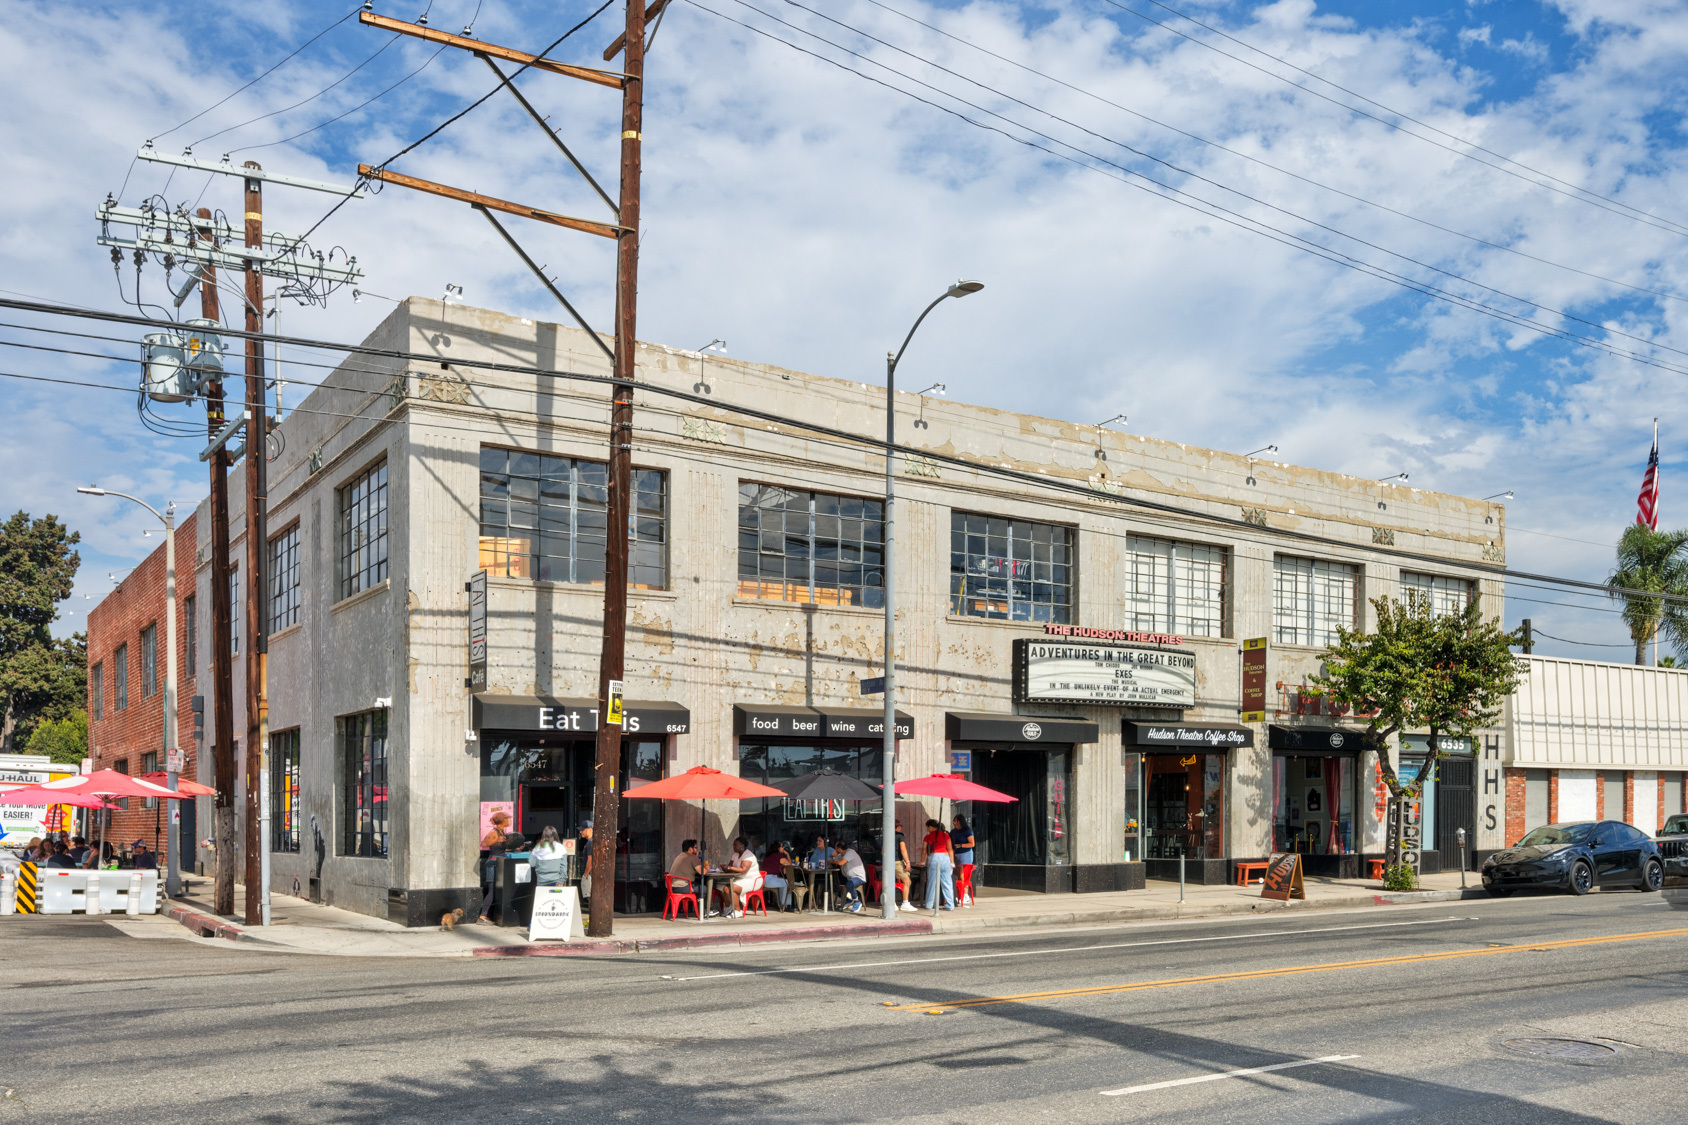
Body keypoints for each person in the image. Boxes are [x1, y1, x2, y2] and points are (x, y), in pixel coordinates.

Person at [478, 810, 512, 921]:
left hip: (501, 863)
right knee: (492, 890)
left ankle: (495, 915)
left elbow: (501, 849)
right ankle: (483, 915)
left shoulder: (503, 832)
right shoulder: (494, 832)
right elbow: (484, 844)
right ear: (502, 821)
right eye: (507, 819)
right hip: (492, 864)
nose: (509, 820)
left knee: (499, 890)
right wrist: (496, 840)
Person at [722, 836, 759, 919]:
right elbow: (730, 866)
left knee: (732, 888)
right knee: (725, 889)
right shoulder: (735, 855)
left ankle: (738, 911)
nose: (733, 846)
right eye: (733, 845)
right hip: (739, 879)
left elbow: (743, 870)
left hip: (751, 880)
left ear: (742, 846)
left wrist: (729, 868)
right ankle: (729, 908)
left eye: (736, 845)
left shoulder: (748, 855)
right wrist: (725, 868)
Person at [922, 818, 955, 911]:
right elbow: (950, 849)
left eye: (928, 827)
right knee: (947, 883)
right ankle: (950, 905)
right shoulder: (946, 835)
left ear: (931, 827)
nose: (927, 829)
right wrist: (952, 862)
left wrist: (922, 861)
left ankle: (929, 904)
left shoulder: (928, 837)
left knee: (932, 882)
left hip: (934, 857)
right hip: (946, 858)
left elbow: (924, 850)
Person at [830, 841, 868, 913]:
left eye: (835, 847)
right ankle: (848, 900)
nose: (834, 849)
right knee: (835, 884)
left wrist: (832, 861)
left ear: (839, 849)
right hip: (849, 877)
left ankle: (857, 901)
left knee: (850, 884)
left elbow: (841, 862)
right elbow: (834, 858)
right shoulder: (841, 854)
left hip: (858, 877)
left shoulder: (850, 853)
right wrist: (833, 859)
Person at [950, 815, 976, 907]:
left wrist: (960, 845)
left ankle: (965, 895)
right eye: (954, 821)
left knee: (964, 874)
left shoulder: (967, 831)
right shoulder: (953, 831)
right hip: (955, 854)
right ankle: (958, 894)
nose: (955, 823)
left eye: (957, 821)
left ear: (961, 822)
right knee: (956, 874)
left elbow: (972, 844)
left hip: (965, 854)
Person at [760, 841, 792, 910]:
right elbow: (789, 865)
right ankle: (786, 905)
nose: (783, 848)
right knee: (788, 883)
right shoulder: (779, 856)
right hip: (770, 879)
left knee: (782, 883)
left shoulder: (767, 856)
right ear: (778, 848)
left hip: (762, 879)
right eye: (782, 846)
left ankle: (780, 903)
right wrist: (787, 854)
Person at [893, 824, 916, 911]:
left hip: (888, 861)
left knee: (891, 882)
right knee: (907, 881)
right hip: (897, 861)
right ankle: (905, 903)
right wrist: (908, 862)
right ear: (898, 827)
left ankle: (892, 903)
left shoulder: (886, 835)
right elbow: (903, 849)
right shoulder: (900, 836)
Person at [577, 821, 595, 904]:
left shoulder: (590, 842)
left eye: (583, 830)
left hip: (590, 874)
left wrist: (586, 874)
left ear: (590, 829)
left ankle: (592, 916)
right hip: (591, 874)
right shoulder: (590, 842)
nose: (580, 832)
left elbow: (590, 860)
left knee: (590, 897)